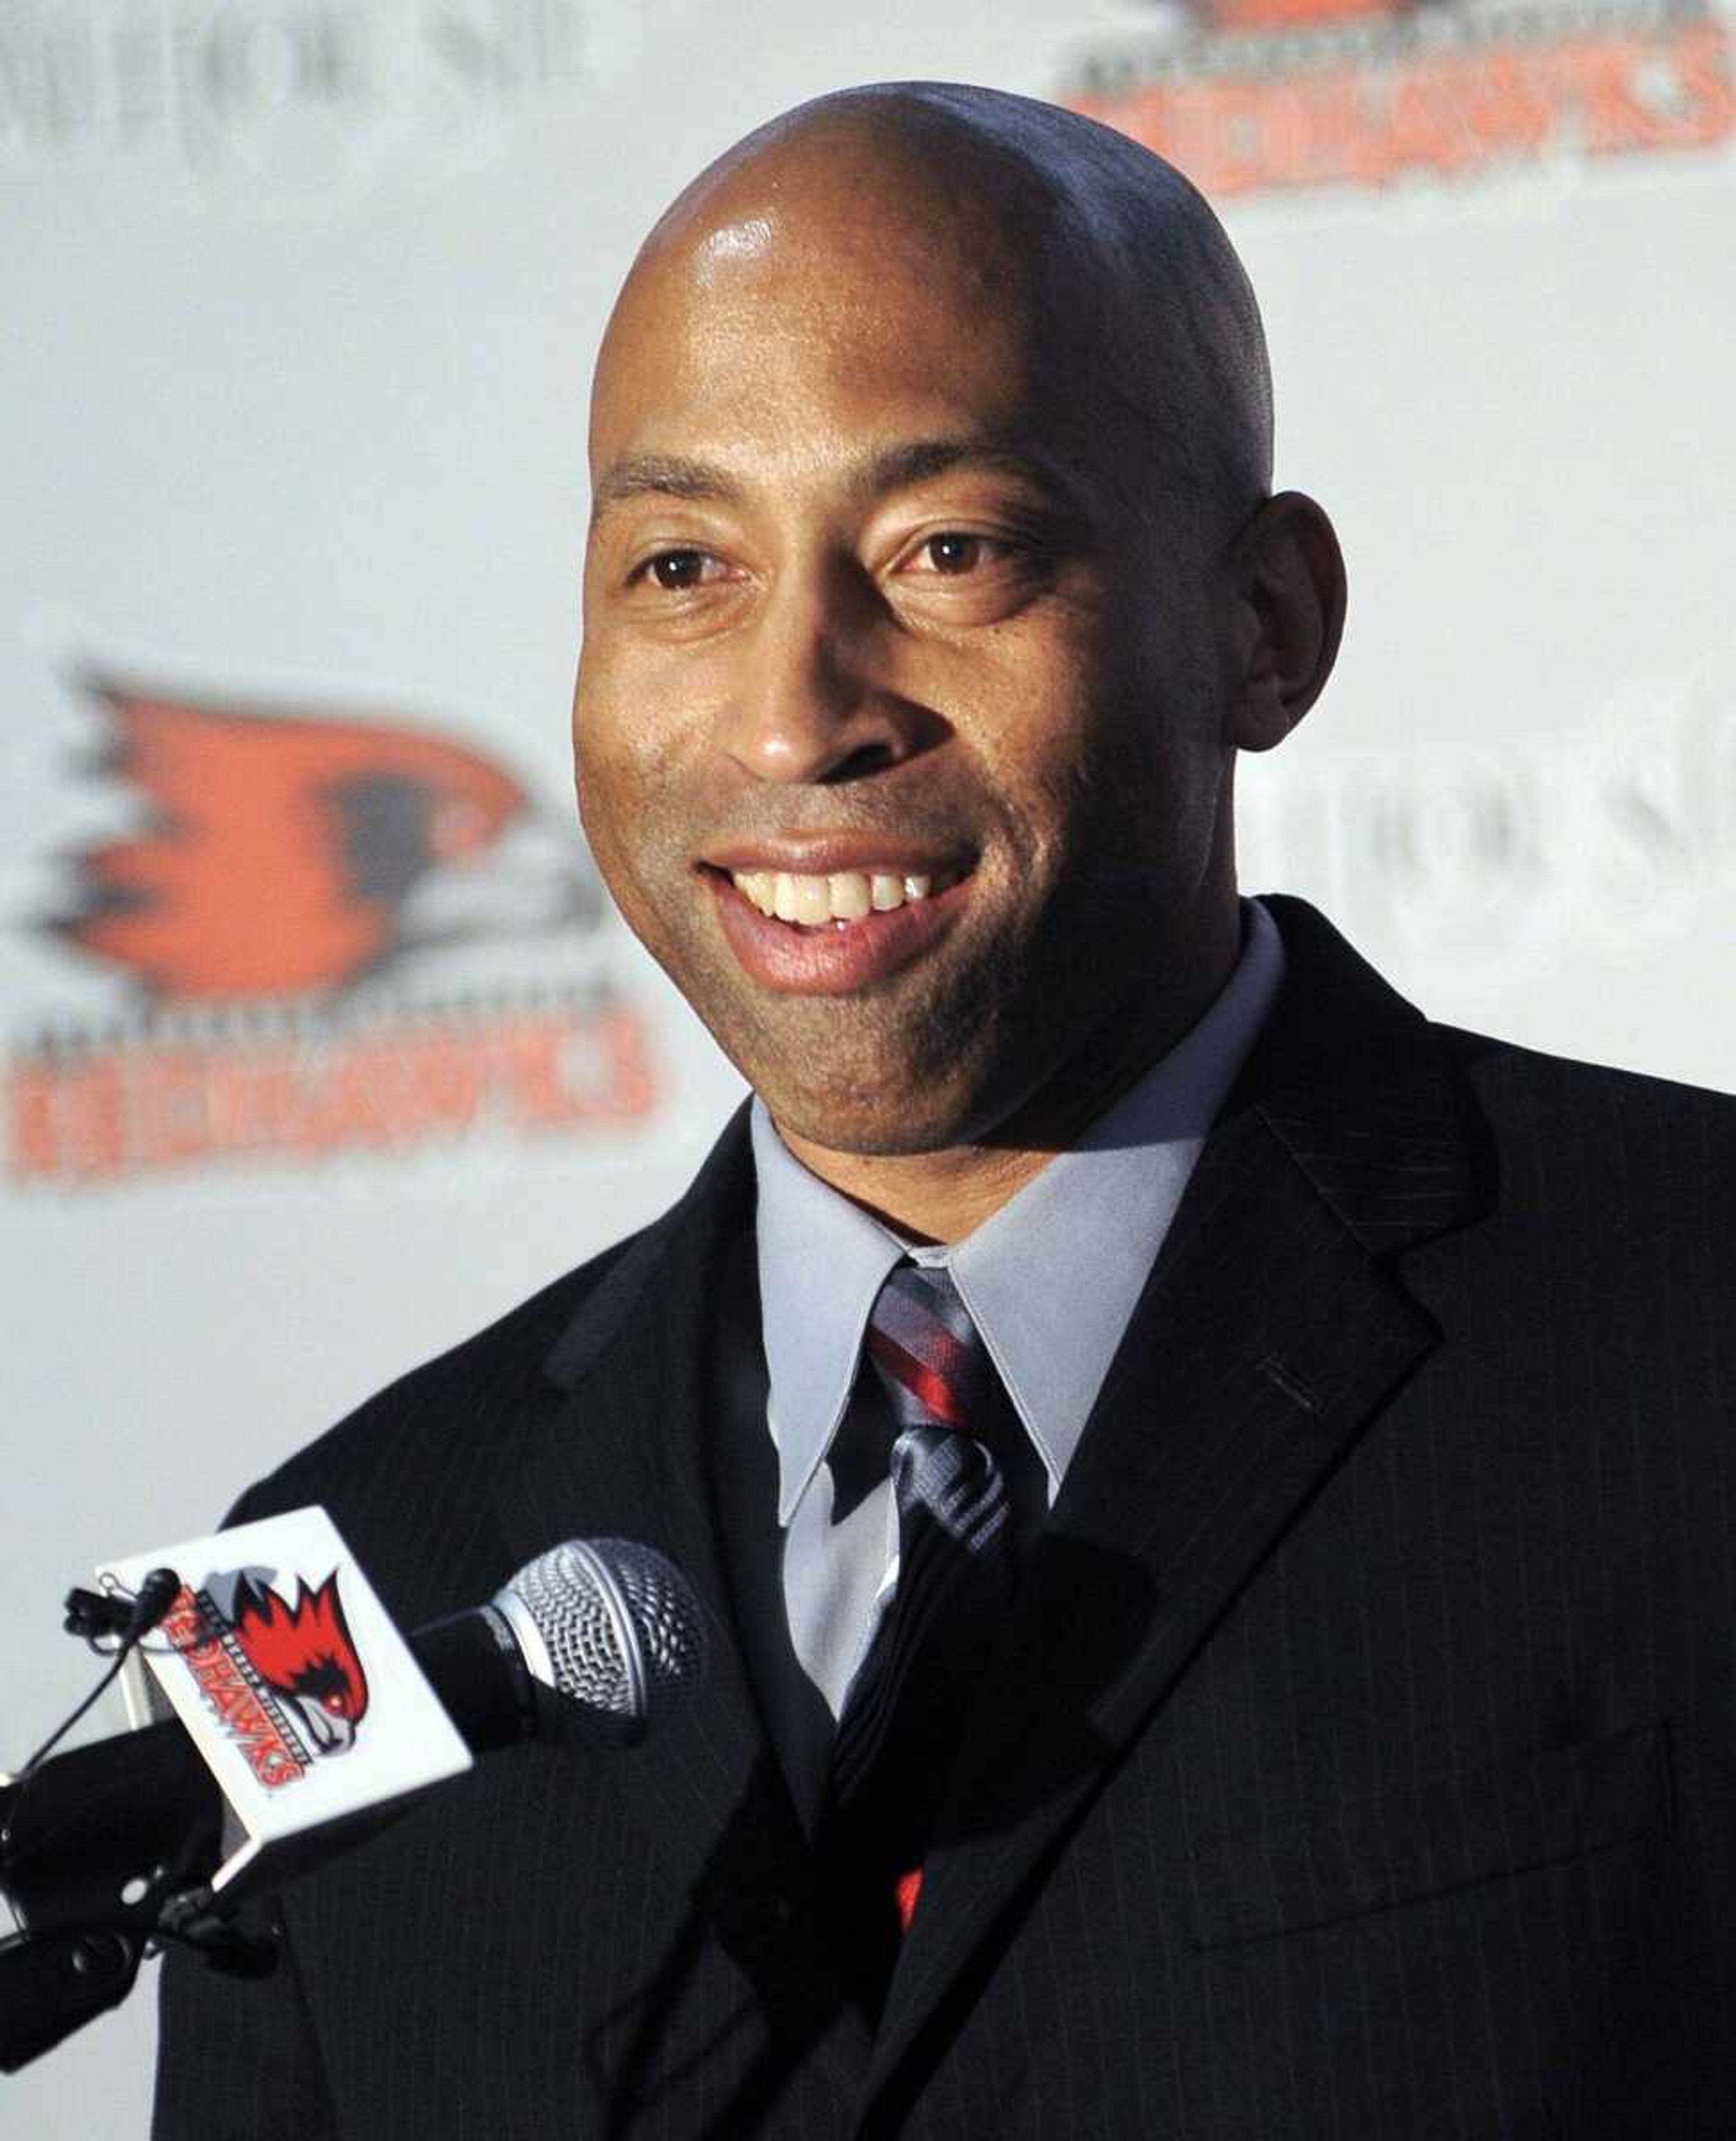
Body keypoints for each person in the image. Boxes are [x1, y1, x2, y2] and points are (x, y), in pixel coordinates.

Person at [155, 82, 1736, 2140]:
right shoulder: (340, 1582)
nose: (800, 709)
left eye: (950, 549)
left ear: (1264, 627)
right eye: (682, 563)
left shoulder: (1688, 1331)